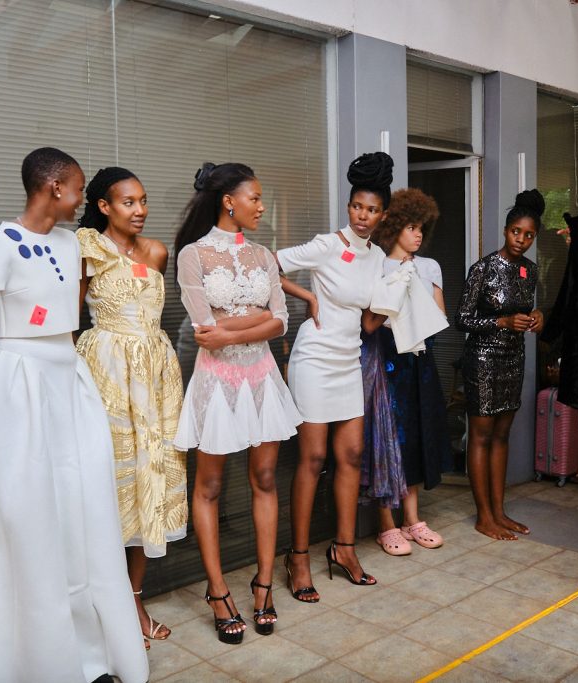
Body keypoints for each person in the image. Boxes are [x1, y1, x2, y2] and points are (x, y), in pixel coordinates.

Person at [0, 147, 148, 683]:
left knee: (79, 514)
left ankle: (91, 656)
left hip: (69, 381)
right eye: (79, 188)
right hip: (17, 386)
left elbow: (69, 315)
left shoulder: (70, 244)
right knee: (29, 518)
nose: (83, 198)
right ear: (55, 187)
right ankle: (36, 661)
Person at [173, 162, 301, 643]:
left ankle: (263, 584)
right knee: (208, 486)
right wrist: (255, 321)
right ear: (229, 201)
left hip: (263, 378)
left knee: (265, 478)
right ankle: (218, 590)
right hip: (217, 381)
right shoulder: (193, 255)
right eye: (256, 198)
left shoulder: (264, 254)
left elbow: (282, 320)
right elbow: (205, 331)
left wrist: (233, 328)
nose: (262, 207)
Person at [75, 167, 187, 647]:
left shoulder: (157, 251)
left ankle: (134, 601)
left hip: (156, 377)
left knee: (150, 483)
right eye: (128, 202)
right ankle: (99, 609)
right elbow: (69, 320)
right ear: (104, 206)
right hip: (106, 376)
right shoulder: (86, 250)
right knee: (107, 486)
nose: (140, 210)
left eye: (143, 201)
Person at [276, 152, 393, 600]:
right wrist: (306, 296)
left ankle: (344, 549)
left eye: (372, 210)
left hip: (349, 359)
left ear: (382, 216)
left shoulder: (377, 257)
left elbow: (368, 323)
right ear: (349, 207)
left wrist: (397, 299)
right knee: (312, 459)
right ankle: (298, 557)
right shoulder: (327, 244)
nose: (363, 216)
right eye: (357, 207)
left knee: (351, 455)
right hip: (313, 359)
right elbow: (268, 264)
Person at [360, 188, 450, 555]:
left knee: (415, 435)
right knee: (387, 436)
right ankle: (387, 524)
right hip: (386, 359)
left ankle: (413, 519)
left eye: (421, 228)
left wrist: (419, 309)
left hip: (420, 359)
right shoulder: (376, 266)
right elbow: (369, 321)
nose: (417, 234)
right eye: (411, 227)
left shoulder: (429, 267)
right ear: (394, 226)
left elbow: (439, 316)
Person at [456, 190, 544, 540]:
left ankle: (499, 511)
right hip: (482, 359)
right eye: (516, 232)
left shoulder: (530, 270)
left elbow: (525, 309)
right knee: (481, 436)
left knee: (502, 435)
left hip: (513, 357)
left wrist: (537, 316)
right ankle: (484, 516)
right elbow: (461, 319)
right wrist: (501, 322)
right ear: (506, 230)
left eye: (528, 235)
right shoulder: (483, 268)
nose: (521, 239)